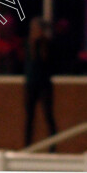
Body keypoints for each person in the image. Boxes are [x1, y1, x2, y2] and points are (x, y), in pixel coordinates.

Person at [24, 18, 58, 149]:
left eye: (37, 28)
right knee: (29, 118)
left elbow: (54, 64)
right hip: (31, 84)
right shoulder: (28, 44)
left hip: (44, 84)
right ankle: (27, 146)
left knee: (48, 116)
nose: (35, 31)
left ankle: (52, 147)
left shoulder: (47, 45)